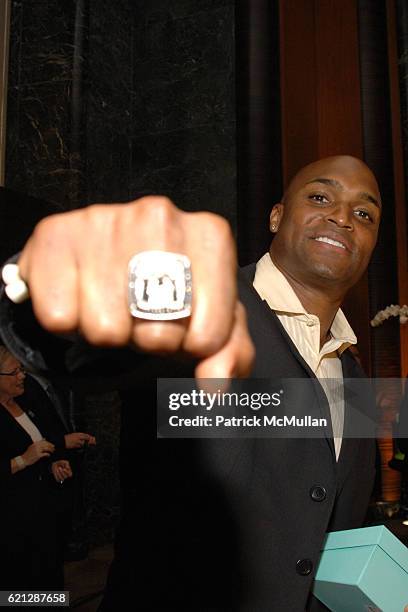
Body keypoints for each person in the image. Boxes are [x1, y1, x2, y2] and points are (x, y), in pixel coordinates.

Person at [0, 155, 401, 609]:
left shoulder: (353, 371)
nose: (342, 216)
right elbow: (79, 333)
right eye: (320, 196)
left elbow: (335, 518)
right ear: (276, 215)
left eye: (364, 213)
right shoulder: (198, 306)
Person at [0, 345, 72, 590]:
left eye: (22, 369)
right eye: (14, 372)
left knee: (49, 581)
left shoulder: (25, 403)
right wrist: (23, 460)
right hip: (12, 524)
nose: (22, 376)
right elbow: (24, 456)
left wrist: (52, 464)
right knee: (20, 586)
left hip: (41, 514)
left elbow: (38, 446)